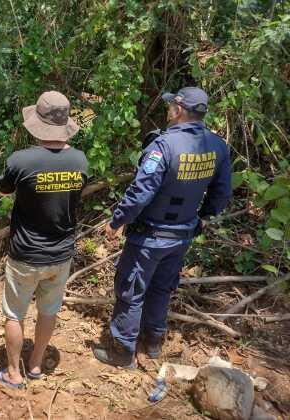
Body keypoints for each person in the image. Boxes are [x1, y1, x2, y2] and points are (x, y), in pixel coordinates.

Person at [94, 87, 232, 368]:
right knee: (161, 289)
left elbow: (140, 193)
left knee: (131, 291)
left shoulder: (163, 146)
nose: (168, 109)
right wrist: (204, 217)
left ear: (179, 110)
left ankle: (122, 352)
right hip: (182, 236)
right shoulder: (217, 146)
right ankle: (153, 343)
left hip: (149, 238)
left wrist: (117, 221)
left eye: (171, 105)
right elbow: (222, 191)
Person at [0, 91, 89, 388]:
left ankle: (13, 373)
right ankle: (35, 365)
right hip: (61, 255)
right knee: (49, 311)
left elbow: (3, 192)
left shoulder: (21, 160)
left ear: (37, 123)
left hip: (25, 255)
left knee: (14, 314)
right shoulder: (80, 160)